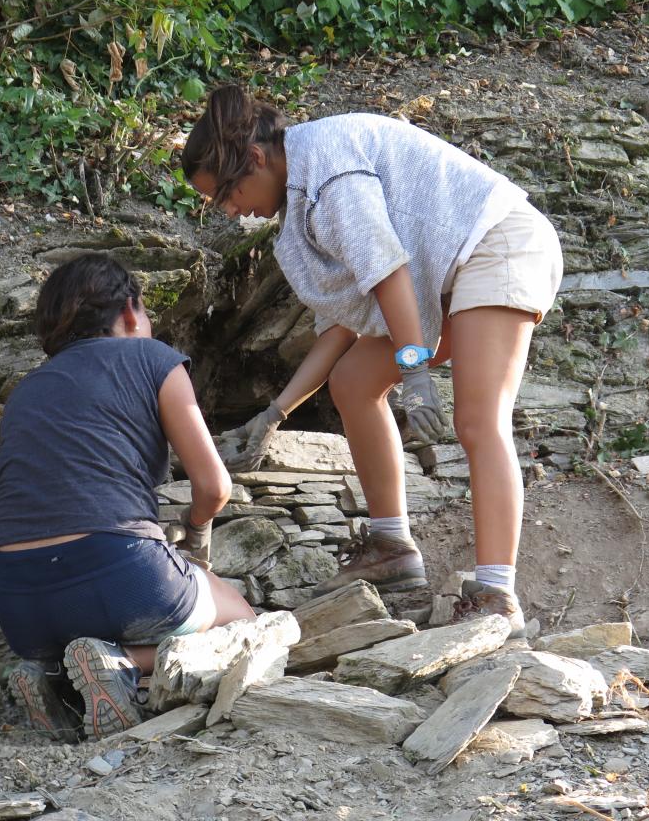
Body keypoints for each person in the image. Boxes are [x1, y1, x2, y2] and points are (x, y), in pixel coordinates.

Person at [185, 85, 563, 637]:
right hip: (444, 281)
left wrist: (415, 371)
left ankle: (496, 593)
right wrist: (274, 414)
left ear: (257, 159)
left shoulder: (328, 160)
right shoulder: (294, 220)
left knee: (478, 419)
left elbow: (387, 269)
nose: (231, 211)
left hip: (497, 244)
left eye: (225, 194)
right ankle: (391, 547)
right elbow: (343, 327)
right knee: (354, 380)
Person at [0, 252, 254, 741]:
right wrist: (194, 533)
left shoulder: (24, 391)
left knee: (76, 634)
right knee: (244, 621)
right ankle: (125, 663)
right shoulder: (154, 359)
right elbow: (215, 487)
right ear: (130, 312)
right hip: (121, 572)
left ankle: (50, 679)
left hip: (18, 602)